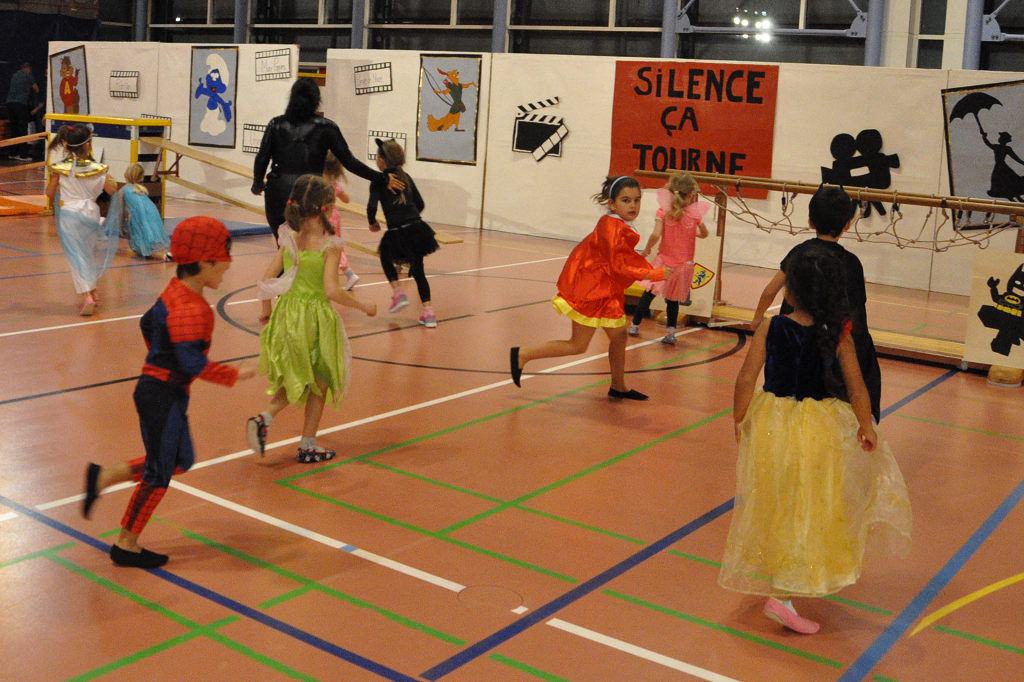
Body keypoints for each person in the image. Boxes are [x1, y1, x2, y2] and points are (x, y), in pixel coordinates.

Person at [720, 244, 911, 634]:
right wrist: (866, 426)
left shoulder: (772, 326)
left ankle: (785, 582)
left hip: (773, 423)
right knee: (811, 504)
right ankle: (784, 593)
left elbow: (746, 377)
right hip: (819, 430)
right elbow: (857, 389)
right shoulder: (838, 335)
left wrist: (740, 418)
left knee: (780, 501)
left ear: (790, 291)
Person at [81, 216, 255, 568]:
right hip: (162, 395)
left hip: (160, 391)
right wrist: (234, 374)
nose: (228, 266)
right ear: (204, 262)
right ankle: (126, 544)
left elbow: (147, 323)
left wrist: (159, 357)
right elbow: (192, 363)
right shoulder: (193, 309)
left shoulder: (175, 291)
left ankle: (105, 476)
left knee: (180, 460)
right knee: (160, 473)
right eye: (223, 259)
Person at [246, 175, 377, 464]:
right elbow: (331, 290)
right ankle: (306, 443)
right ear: (327, 207)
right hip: (315, 318)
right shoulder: (330, 246)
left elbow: (267, 279)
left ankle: (266, 417)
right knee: (320, 378)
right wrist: (363, 305)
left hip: (288, 314)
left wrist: (267, 311)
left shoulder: (290, 239)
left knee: (297, 375)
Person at [510, 175, 671, 400]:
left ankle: (618, 386)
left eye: (637, 200)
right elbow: (618, 265)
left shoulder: (618, 224)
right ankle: (523, 355)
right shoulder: (611, 226)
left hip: (604, 287)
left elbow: (621, 259)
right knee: (578, 345)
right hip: (591, 289)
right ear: (612, 203)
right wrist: (655, 273)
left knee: (619, 336)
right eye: (626, 200)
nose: (633, 205)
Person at [751, 185, 882, 423]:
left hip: (795, 338)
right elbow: (856, 315)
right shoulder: (852, 263)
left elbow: (770, 290)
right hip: (830, 344)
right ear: (848, 224)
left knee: (791, 401)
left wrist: (757, 319)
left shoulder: (800, 252)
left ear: (811, 221)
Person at [252, 77, 402, 241]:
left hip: (278, 189)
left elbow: (262, 158)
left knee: (283, 245)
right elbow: (350, 162)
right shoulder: (327, 127)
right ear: (317, 100)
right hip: (310, 190)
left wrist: (257, 184)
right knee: (309, 245)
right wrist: (382, 178)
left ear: (292, 98)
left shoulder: (275, 124)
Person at [44, 124, 119, 315]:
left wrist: (59, 182)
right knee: (86, 253)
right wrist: (106, 177)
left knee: (76, 256)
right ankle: (92, 291)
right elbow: (112, 190)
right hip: (91, 212)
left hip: (70, 213)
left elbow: (49, 193)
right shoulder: (99, 169)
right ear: (88, 144)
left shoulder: (61, 169)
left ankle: (87, 295)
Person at [628, 171, 710, 345]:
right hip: (682, 265)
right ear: (691, 194)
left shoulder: (664, 211)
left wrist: (647, 249)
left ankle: (635, 325)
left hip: (663, 262)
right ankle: (670, 333)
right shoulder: (694, 214)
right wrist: (690, 233)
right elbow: (705, 234)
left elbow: (655, 234)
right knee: (673, 300)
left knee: (649, 293)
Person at [368, 138, 440, 327]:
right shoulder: (406, 177)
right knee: (419, 271)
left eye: (377, 157)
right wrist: (410, 215)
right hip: (416, 228)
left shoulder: (378, 181)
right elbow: (420, 203)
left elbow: (371, 206)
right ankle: (429, 313)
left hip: (397, 230)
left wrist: (372, 221)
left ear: (382, 160)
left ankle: (398, 293)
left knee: (385, 257)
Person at [107, 163, 170, 260]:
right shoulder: (141, 189)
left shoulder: (123, 190)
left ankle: (163, 256)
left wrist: (120, 228)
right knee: (149, 238)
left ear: (125, 174)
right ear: (141, 177)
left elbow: (121, 213)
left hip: (139, 216)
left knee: (146, 245)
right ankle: (162, 253)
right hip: (152, 213)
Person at [323, 151, 359, 290]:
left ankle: (346, 273)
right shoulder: (335, 184)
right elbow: (346, 199)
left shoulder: (321, 182)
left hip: (326, 216)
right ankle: (348, 273)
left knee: (328, 245)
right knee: (335, 244)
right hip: (335, 215)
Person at [5, 62, 38, 161]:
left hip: (10, 104)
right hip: (20, 104)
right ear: (28, 68)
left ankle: (13, 153)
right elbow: (36, 89)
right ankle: (23, 155)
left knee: (14, 129)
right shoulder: (28, 75)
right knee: (23, 129)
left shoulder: (14, 75)